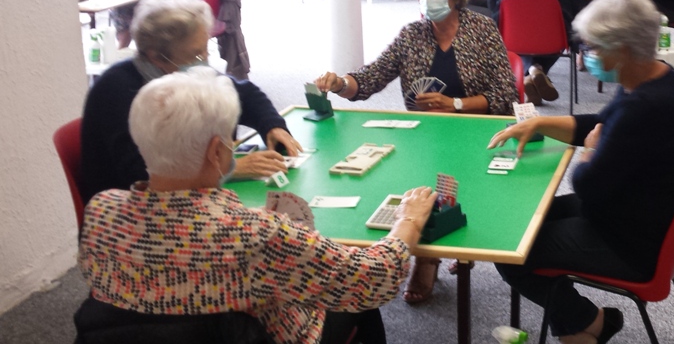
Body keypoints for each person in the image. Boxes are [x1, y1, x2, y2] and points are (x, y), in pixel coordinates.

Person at [77, 67, 437, 344]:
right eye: (231, 141)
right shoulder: (254, 233)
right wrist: (407, 220)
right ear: (216, 151)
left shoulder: (100, 212)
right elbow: (373, 279)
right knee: (357, 302)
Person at [488, 0, 674, 344]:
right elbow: (602, 123)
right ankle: (589, 324)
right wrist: (540, 123)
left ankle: (587, 325)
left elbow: (587, 184)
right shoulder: (652, 77)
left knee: (510, 250)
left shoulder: (645, 109)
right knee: (521, 221)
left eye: (593, 47)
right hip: (634, 214)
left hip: (629, 241)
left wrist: (589, 152)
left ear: (623, 49)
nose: (586, 55)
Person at [314, 0, 517, 304]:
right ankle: (428, 254)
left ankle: (432, 254)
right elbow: (371, 77)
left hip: (475, 130)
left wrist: (455, 104)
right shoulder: (411, 34)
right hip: (424, 133)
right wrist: (341, 83)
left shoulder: (482, 30)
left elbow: (506, 94)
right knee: (420, 180)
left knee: (454, 184)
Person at [80, 0, 303, 204]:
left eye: (206, 50)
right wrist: (228, 168)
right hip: (131, 209)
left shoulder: (181, 72)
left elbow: (245, 94)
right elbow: (139, 171)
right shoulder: (115, 90)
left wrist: (272, 126)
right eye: (196, 54)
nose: (204, 60)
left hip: (187, 196)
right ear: (156, 57)